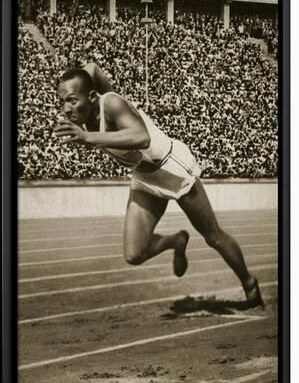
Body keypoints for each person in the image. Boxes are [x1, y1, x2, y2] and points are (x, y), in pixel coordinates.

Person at [55, 63, 264, 308]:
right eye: (62, 102)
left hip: (170, 167)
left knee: (213, 236)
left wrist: (88, 136)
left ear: (91, 96)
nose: (66, 109)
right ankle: (175, 241)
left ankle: (250, 284)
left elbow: (142, 138)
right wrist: (81, 88)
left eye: (71, 100)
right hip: (145, 176)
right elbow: (90, 68)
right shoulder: (87, 114)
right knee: (134, 254)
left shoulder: (111, 104)